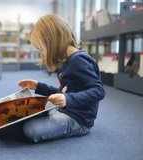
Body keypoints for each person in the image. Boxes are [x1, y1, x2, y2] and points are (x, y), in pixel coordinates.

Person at [18, 14, 105, 143]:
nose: (41, 52)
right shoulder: (66, 61)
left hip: (78, 120)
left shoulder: (79, 60)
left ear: (52, 41)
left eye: (41, 48)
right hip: (64, 110)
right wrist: (38, 86)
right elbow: (63, 93)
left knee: (31, 129)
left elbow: (99, 91)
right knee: (26, 108)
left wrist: (67, 99)